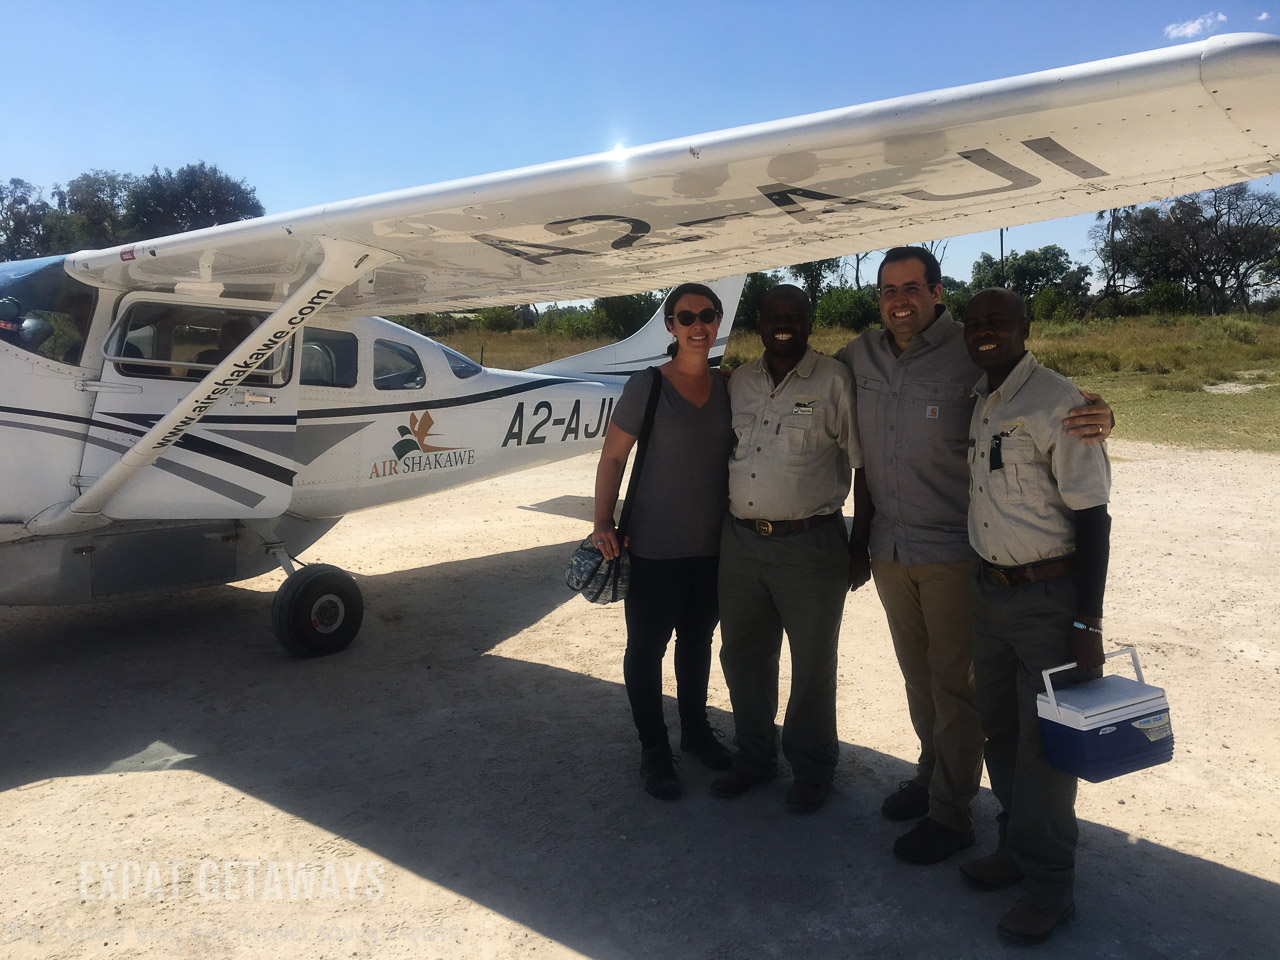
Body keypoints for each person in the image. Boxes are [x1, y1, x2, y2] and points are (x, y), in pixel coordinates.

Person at [834, 247, 1113, 864]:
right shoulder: (859, 353)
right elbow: (806, 374)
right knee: (919, 679)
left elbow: (1036, 393)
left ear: (937, 292)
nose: (899, 299)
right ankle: (934, 774)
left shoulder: (970, 345)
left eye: (912, 287)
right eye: (887, 289)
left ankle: (951, 813)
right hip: (890, 549)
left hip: (957, 551)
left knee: (953, 687)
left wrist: (1102, 411)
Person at [959, 287, 1110, 945]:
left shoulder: (1061, 404)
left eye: (1000, 321)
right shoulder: (982, 399)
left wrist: (1089, 623)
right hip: (989, 594)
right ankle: (1016, 850)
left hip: (1048, 600)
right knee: (998, 728)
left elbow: (1094, 518)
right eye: (978, 322)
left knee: (1045, 747)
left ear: (1026, 327)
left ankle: (1051, 888)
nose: (987, 331)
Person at [711, 284, 861, 814]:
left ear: (808, 322)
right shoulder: (740, 383)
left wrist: (858, 544)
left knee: (812, 663)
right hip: (742, 543)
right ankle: (753, 757)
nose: (782, 324)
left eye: (792, 316)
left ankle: (813, 767)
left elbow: (860, 466)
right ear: (759, 323)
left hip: (811, 544)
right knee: (743, 656)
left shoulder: (834, 380)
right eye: (773, 316)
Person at [592, 282, 735, 800]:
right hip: (652, 546)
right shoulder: (646, 385)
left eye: (707, 315)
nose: (698, 325)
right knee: (647, 649)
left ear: (718, 320)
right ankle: (655, 750)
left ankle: (695, 734)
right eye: (686, 316)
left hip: (713, 547)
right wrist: (602, 521)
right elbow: (612, 459)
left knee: (697, 644)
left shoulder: (729, 386)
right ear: (670, 326)